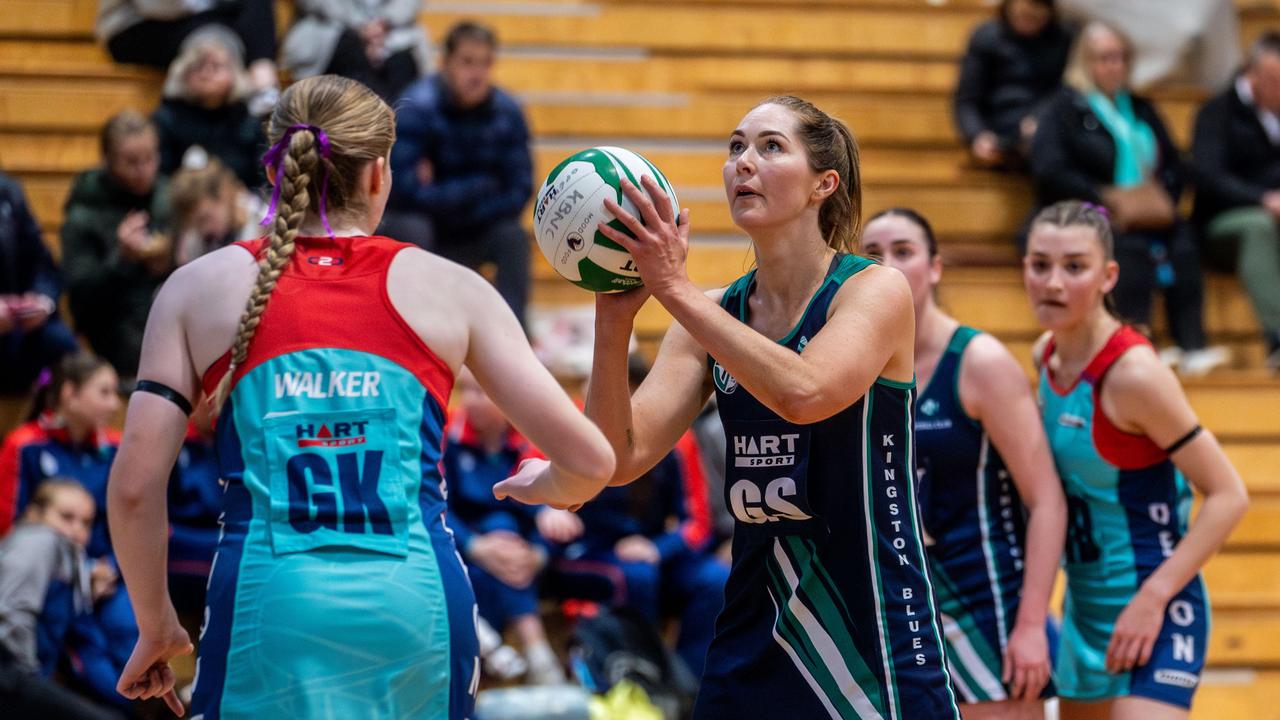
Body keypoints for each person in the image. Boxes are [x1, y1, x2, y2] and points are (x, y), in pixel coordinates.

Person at [105, 74, 614, 719]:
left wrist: (156, 624)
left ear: (277, 166)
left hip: (270, 602)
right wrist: (545, 483)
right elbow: (594, 462)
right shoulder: (452, 288)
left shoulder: (197, 286)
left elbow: (133, 488)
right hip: (417, 604)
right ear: (379, 172)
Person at [504, 95, 960, 718]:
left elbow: (805, 393)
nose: (744, 161)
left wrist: (672, 288)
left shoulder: (873, 290)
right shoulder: (708, 315)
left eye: (771, 147)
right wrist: (612, 323)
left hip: (868, 622)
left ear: (822, 183)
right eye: (735, 146)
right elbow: (622, 455)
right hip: (753, 618)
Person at [1024, 200, 1248, 719]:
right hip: (1084, 609)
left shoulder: (1134, 375)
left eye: (1074, 267)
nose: (1053, 282)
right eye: (1040, 264)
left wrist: (1153, 599)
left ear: (1108, 276)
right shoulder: (1045, 356)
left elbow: (1229, 495)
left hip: (1157, 605)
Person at [862, 208, 1066, 719]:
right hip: (899, 602)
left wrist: (1032, 625)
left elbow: (1046, 501)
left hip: (985, 600)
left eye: (903, 252)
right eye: (872, 255)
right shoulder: (853, 366)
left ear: (935, 267)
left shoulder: (980, 362)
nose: (887, 267)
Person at [1029, 21, 1227, 377]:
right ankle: (1138, 343)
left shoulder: (1139, 107)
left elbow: (1173, 162)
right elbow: (1051, 170)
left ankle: (1192, 343)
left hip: (1145, 209)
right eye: (1105, 58)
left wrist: (1164, 197)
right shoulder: (1064, 108)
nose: (1114, 66)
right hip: (1090, 211)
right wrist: (1103, 198)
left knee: (1183, 242)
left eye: (1120, 58)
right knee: (1125, 249)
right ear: (1085, 62)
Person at [552, 354, 724, 680]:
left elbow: (698, 523)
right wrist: (543, 512)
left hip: (648, 550)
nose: (596, 395)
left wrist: (657, 548)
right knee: (636, 577)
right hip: (586, 549)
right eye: (593, 385)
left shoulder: (678, 440)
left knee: (714, 580)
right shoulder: (567, 423)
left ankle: (690, 684)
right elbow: (526, 480)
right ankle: (643, 684)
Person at [0, 353, 136, 712]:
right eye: (104, 392)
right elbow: (14, 528)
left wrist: (109, 570)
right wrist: (77, 574)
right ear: (70, 393)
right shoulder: (25, 444)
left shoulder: (116, 448)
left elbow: (127, 525)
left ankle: (141, 706)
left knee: (131, 632)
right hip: (52, 577)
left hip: (102, 575)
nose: (114, 404)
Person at [384, 20, 533, 325]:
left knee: (513, 237)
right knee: (412, 228)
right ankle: (418, 329)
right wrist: (482, 186)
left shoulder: (508, 112)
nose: (477, 74)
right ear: (445, 63)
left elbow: (520, 189)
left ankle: (514, 334)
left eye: (484, 64)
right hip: (431, 230)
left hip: (476, 227)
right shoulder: (416, 106)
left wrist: (446, 193)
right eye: (467, 62)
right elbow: (402, 191)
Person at [444, 369, 579, 685]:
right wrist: (475, 548)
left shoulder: (531, 437)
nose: (471, 402)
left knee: (507, 528)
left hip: (523, 551)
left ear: (506, 396)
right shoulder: (447, 433)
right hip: (466, 545)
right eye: (466, 391)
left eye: (482, 392)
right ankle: (536, 649)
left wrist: (537, 553)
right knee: (496, 533)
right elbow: (436, 505)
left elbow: (556, 507)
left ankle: (501, 657)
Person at [61, 111, 173, 384]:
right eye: (131, 162)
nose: (144, 170)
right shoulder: (84, 211)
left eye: (150, 158)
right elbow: (81, 297)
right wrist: (121, 259)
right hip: (113, 325)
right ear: (108, 161)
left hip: (166, 313)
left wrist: (171, 260)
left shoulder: (169, 196)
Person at [1191, 31, 1280, 372]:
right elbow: (1207, 176)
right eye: (1273, 80)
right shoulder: (1217, 112)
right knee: (1258, 227)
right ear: (1250, 72)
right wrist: (1262, 199)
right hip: (1221, 225)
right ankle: (1277, 338)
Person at [0, 480, 125, 720]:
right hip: (11, 677)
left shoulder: (64, 555)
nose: (77, 530)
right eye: (66, 517)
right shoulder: (39, 539)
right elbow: (10, 611)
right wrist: (27, 682)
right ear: (34, 513)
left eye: (87, 523)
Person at [94, 0, 280, 115]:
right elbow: (159, 6)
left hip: (196, 14)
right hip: (133, 26)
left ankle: (263, 80)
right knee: (213, 38)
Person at [954, 0, 1073, 170]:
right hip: (998, 131)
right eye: (1022, 16)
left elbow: (1065, 90)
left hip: (1045, 134)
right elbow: (967, 100)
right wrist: (977, 135)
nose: (1027, 23)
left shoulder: (1063, 37)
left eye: (1035, 18)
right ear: (1008, 8)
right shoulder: (987, 36)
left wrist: (1039, 118)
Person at [153, 27, 268, 190]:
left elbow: (264, 179)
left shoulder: (249, 121)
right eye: (198, 66)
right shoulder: (167, 118)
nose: (206, 73)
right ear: (183, 74)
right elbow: (159, 179)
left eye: (216, 66)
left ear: (234, 74)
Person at [0, 170, 80, 396]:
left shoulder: (7, 191)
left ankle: (45, 428)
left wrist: (41, 300)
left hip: (14, 322)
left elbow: (41, 261)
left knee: (62, 345)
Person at [282, 0, 432, 102]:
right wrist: (360, 25)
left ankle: (389, 132)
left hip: (394, 31)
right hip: (331, 29)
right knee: (351, 53)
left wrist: (383, 23)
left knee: (402, 62)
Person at [168, 156, 266, 266]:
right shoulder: (196, 238)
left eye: (205, 218)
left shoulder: (262, 220)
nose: (204, 230)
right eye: (196, 224)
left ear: (223, 195)